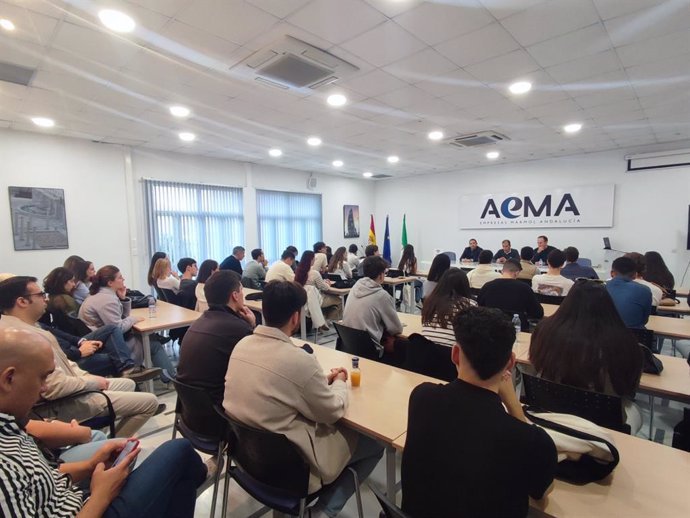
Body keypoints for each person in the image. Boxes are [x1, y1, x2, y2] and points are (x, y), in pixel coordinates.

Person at [0, 327, 208, 518]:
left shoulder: (11, 426)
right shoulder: (5, 465)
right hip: (90, 507)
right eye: (42, 378)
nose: (44, 389)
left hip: (74, 496)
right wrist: (101, 495)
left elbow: (40, 480)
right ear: (9, 379)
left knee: (181, 483)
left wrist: (90, 465)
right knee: (180, 451)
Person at [224, 281, 384, 518]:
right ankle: (323, 511)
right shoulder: (297, 359)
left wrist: (317, 382)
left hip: (248, 458)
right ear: (296, 317)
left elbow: (282, 387)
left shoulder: (241, 345)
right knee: (374, 444)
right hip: (291, 468)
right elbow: (333, 411)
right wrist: (339, 381)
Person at [402, 307, 557, 518]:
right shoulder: (530, 439)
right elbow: (542, 492)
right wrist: (515, 408)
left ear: (455, 354)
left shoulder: (422, 396)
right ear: (510, 363)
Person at [0, 276, 160, 437]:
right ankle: (110, 449)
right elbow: (53, 388)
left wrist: (87, 376)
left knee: (128, 384)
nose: (45, 299)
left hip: (71, 384)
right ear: (22, 301)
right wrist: (91, 382)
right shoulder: (23, 337)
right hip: (61, 403)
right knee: (149, 402)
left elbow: (65, 361)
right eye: (41, 295)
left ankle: (101, 435)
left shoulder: (29, 326)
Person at [530, 279, 644, 429]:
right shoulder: (626, 343)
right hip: (604, 424)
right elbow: (628, 389)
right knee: (636, 411)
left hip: (549, 411)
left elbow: (535, 365)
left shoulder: (544, 330)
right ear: (608, 304)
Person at [79, 265, 177, 381]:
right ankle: (171, 378)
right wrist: (133, 319)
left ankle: (166, 376)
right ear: (110, 283)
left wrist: (123, 299)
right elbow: (117, 327)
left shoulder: (102, 294)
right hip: (107, 346)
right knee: (152, 343)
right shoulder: (106, 299)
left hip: (104, 340)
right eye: (120, 277)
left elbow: (121, 317)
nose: (123, 279)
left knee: (150, 338)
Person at [177, 271, 255, 408]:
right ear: (235, 296)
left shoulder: (198, 323)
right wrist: (251, 326)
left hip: (191, 414)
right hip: (220, 416)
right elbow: (259, 366)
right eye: (241, 290)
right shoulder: (237, 329)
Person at [342, 256, 404, 362]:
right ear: (381, 275)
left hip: (349, 346)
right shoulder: (382, 295)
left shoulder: (354, 287)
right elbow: (396, 329)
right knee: (402, 346)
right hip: (371, 351)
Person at [477, 260, 543, 331]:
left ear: (502, 271)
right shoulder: (524, 288)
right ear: (517, 273)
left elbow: (479, 307)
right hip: (516, 330)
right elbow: (538, 313)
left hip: (489, 329)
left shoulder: (488, 286)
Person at [421, 268, 474, 347]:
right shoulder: (470, 305)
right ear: (465, 286)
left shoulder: (430, 301)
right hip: (452, 355)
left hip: (426, 352)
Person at [295, 251, 343, 321]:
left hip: (304, 299)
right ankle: (330, 320)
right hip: (317, 299)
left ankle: (324, 320)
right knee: (339, 300)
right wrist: (328, 284)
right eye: (314, 258)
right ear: (311, 260)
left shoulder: (298, 272)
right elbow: (325, 288)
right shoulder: (314, 273)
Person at [606, 256, 652, 328]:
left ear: (612, 273)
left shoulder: (598, 289)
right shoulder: (645, 290)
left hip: (602, 337)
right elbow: (644, 320)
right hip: (635, 337)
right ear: (635, 275)